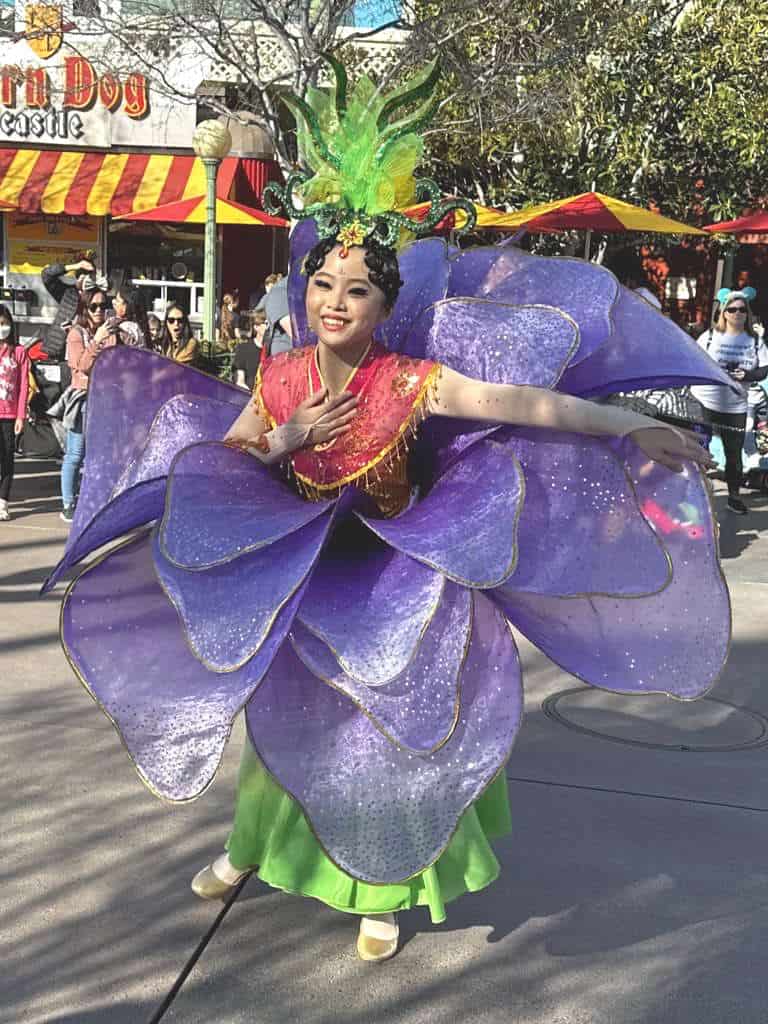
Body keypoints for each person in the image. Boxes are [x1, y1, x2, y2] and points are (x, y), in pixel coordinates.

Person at [49, 59, 733, 966]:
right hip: (300, 564)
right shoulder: (282, 376)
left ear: (383, 304)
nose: (335, 303)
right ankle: (251, 845)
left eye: (357, 290)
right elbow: (228, 461)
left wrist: (631, 423)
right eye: (325, 285)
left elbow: (527, 405)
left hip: (401, 572)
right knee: (288, 715)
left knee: (390, 729)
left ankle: (385, 884)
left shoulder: (414, 381)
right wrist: (288, 436)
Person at [691, 287, 768, 514]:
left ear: (748, 313)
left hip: (735, 405)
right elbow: (694, 359)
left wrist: (748, 375)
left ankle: (734, 497)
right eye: (732, 309)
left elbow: (763, 370)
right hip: (704, 401)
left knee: (733, 453)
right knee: (698, 449)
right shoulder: (710, 336)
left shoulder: (754, 342)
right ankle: (697, 495)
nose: (737, 314)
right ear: (724, 312)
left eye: (742, 310)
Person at [58, 286, 111, 523]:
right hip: (83, 400)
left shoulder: (109, 331)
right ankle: (68, 503)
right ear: (85, 308)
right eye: (94, 306)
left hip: (105, 399)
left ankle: (90, 499)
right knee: (75, 453)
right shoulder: (76, 334)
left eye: (103, 305)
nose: (99, 310)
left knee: (97, 454)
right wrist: (97, 341)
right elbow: (82, 365)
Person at [0, 305, 29, 521]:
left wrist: (21, 416)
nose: (3, 328)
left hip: (10, 416)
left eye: (5, 323)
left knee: (7, 457)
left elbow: (23, 387)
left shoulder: (19, 353)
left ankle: (3, 502)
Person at [40, 255, 97, 362]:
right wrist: (75, 266)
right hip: (61, 350)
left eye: (91, 276)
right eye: (84, 275)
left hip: (86, 350)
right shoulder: (68, 293)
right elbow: (46, 275)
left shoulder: (97, 297)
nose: (88, 279)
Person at [107, 284, 148, 348]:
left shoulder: (128, 328)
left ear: (126, 306)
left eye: (117, 301)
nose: (113, 302)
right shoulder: (140, 326)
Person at [232, 312, 264, 391]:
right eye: (266, 323)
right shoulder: (243, 349)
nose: (270, 326)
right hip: (250, 397)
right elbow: (240, 381)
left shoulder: (274, 350)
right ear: (256, 327)